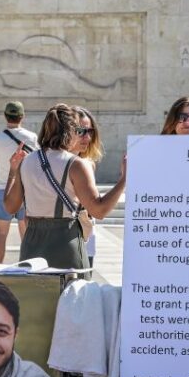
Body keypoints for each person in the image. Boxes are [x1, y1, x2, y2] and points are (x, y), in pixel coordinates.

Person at [3, 104, 125, 269]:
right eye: (80, 131)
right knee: (72, 293)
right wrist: (124, 179)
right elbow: (99, 210)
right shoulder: (76, 164)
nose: (85, 137)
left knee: (35, 294)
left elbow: (10, 207)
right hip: (65, 243)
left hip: (31, 244)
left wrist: (12, 171)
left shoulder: (27, 161)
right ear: (71, 131)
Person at [0, 101, 38, 263]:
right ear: (22, 116)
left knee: (1, 233)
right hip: (25, 191)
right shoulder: (32, 137)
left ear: (5, 116)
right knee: (26, 233)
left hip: (3, 189)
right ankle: (27, 266)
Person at [73, 106, 104, 269]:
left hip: (84, 233)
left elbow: (94, 209)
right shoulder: (53, 162)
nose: (87, 137)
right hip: (61, 238)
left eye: (90, 131)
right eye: (81, 131)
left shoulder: (88, 164)